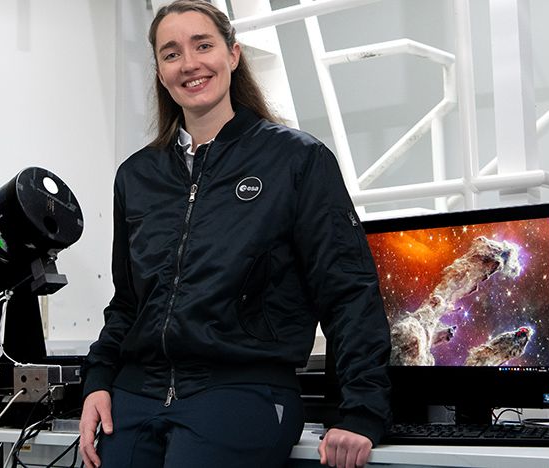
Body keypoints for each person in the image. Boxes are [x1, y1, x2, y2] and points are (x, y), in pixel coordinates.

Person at [78, 1, 391, 467]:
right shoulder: (136, 175)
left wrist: (360, 411)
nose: (189, 64)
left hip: (243, 390)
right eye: (171, 53)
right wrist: (98, 380)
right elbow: (129, 302)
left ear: (233, 54)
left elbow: (348, 291)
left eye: (202, 45)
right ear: (160, 73)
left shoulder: (296, 160)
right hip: (136, 393)